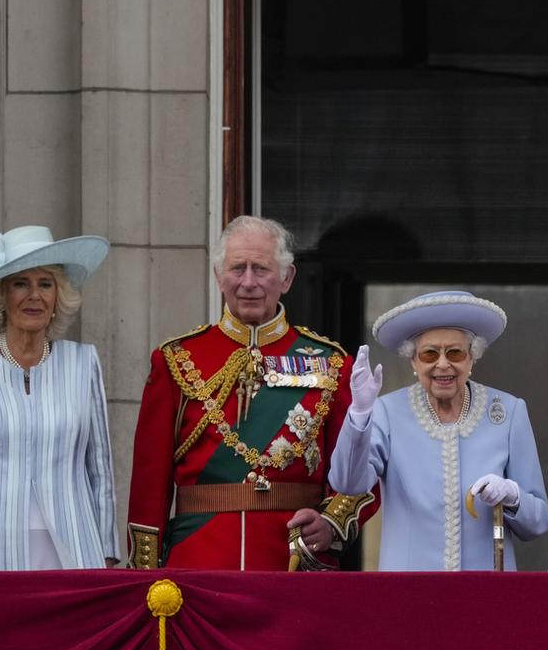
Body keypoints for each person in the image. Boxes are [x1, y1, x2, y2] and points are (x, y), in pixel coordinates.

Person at [127, 216, 377, 570]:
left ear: (287, 278)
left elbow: (359, 466)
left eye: (261, 269)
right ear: (218, 276)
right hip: (198, 562)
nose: (248, 282)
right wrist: (145, 575)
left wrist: (331, 522)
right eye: (237, 268)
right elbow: (148, 483)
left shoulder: (331, 363)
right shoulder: (176, 359)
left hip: (292, 561)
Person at [329, 290, 548, 570]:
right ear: (413, 361)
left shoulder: (508, 411)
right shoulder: (387, 412)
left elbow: (539, 521)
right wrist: (360, 414)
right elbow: (348, 483)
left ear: (472, 357)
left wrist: (513, 497)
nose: (443, 364)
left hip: (485, 592)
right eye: (429, 353)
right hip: (412, 592)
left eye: (455, 352)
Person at [0, 223, 119, 569]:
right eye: (20, 284)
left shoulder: (82, 363)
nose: (34, 295)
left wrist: (106, 547)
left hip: (72, 545)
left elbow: (99, 467)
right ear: (1, 295)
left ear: (59, 297)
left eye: (45, 284)